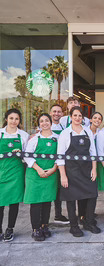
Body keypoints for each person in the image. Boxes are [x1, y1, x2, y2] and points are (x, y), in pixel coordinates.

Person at [57, 107, 100, 237]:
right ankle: (74, 226)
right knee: (71, 200)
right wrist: (63, 176)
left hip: (87, 170)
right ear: (71, 117)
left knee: (92, 195)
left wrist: (94, 169)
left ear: (83, 118)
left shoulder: (88, 131)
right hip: (71, 171)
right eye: (75, 115)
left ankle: (89, 222)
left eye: (80, 115)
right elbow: (60, 156)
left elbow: (93, 152)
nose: (77, 118)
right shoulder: (65, 133)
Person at [24, 113, 58, 241]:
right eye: (42, 121)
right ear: (39, 124)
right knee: (36, 202)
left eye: (47, 120)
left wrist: (53, 169)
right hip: (35, 174)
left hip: (51, 173)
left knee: (47, 201)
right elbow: (27, 156)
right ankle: (36, 229)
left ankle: (44, 225)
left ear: (51, 122)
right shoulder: (34, 139)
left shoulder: (57, 138)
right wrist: (39, 170)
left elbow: (59, 156)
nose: (44, 123)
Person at [0, 109, 29, 242]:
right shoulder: (0, 134)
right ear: (6, 119)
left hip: (16, 171)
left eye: (16, 119)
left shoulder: (23, 135)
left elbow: (28, 154)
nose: (13, 121)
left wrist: (21, 153)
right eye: (11, 118)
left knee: (14, 201)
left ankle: (10, 228)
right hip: (1, 171)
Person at [78, 111, 103, 225]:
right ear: (91, 120)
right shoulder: (84, 131)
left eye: (99, 119)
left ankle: (89, 213)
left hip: (95, 164)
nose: (97, 120)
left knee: (93, 190)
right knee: (82, 190)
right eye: (95, 118)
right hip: (83, 164)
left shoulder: (101, 133)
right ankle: (82, 215)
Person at [49, 104, 69, 225]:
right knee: (49, 188)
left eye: (59, 112)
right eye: (54, 111)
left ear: (62, 114)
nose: (56, 113)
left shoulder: (63, 127)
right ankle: (43, 218)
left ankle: (58, 214)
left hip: (61, 162)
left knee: (59, 189)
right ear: (50, 113)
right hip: (48, 162)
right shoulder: (44, 125)